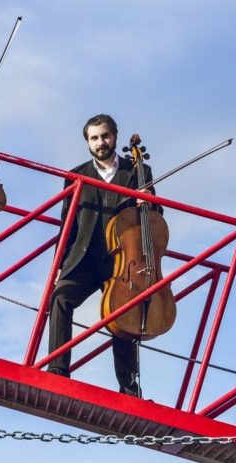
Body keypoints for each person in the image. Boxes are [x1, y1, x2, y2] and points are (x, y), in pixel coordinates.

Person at [47, 113, 159, 396]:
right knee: (61, 297)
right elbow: (67, 225)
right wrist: (60, 265)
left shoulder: (137, 172)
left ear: (115, 136)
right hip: (84, 258)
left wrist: (147, 203)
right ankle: (58, 370)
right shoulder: (76, 175)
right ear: (87, 142)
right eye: (94, 138)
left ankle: (129, 386)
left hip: (121, 262)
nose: (101, 142)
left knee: (123, 315)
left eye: (105, 136)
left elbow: (156, 218)